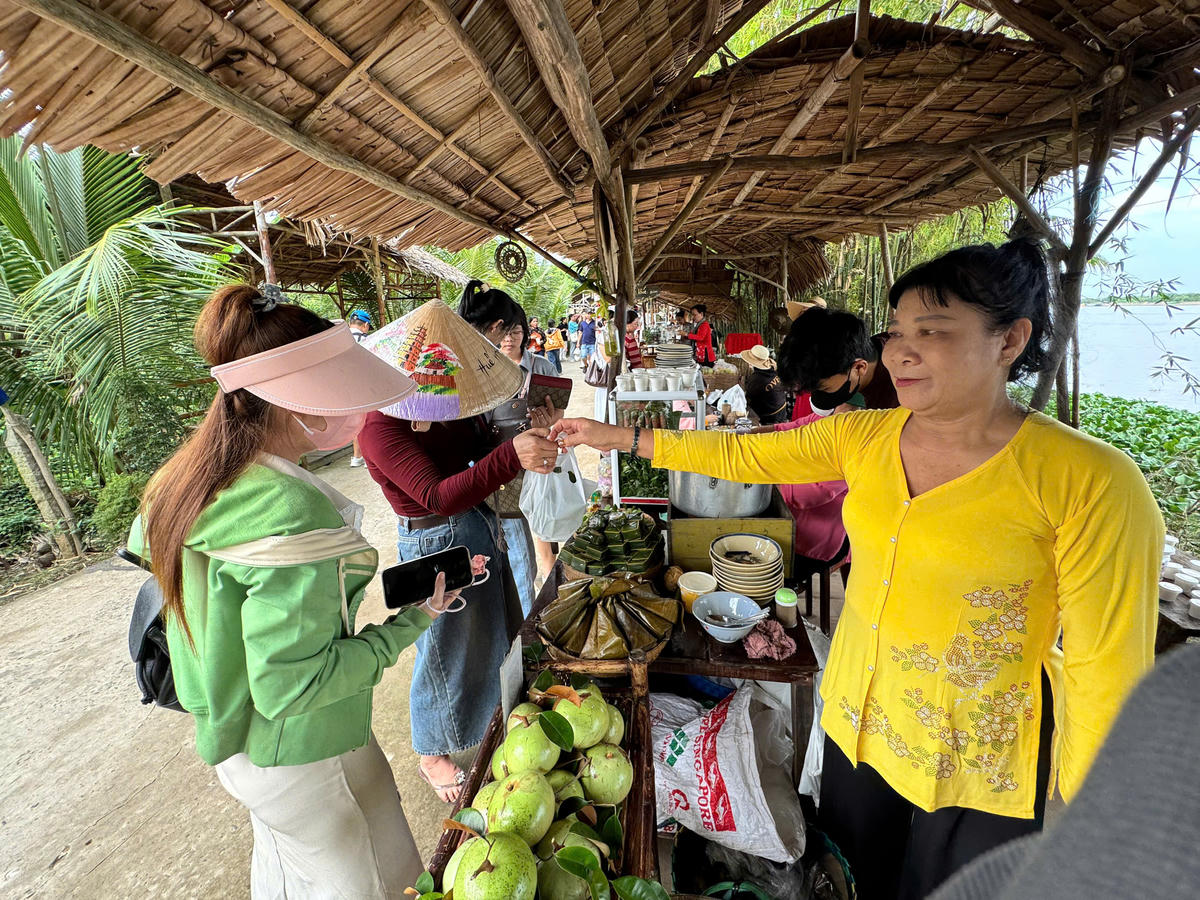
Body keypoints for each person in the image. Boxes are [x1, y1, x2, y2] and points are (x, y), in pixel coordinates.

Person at [553, 239, 1164, 899]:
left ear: (1010, 340)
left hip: (977, 766)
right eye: (898, 329)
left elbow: (1106, 674)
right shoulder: (865, 437)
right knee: (848, 882)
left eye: (931, 330)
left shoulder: (1090, 481)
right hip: (858, 728)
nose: (900, 350)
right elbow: (752, 456)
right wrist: (623, 438)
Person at [131, 284, 461, 897]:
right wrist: (411, 623)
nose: (361, 412)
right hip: (292, 747)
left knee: (309, 851)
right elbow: (292, 684)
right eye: (344, 393)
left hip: (237, 736)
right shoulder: (290, 510)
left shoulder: (189, 477)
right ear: (296, 405)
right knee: (350, 874)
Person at [359, 282, 561, 804]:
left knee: (488, 630)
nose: (436, 381)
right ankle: (431, 750)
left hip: (471, 525)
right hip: (432, 539)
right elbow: (436, 494)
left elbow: (477, 450)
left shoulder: (444, 403)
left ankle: (483, 719)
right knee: (443, 646)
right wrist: (512, 455)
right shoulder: (378, 425)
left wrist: (526, 430)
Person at [495, 307, 563, 614]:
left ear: (526, 333)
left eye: (516, 332)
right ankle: (533, 605)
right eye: (503, 332)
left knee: (546, 520)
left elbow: (559, 411)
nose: (509, 339)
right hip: (506, 464)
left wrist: (549, 420)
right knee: (520, 538)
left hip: (541, 453)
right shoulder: (487, 371)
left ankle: (551, 585)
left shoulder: (543, 366)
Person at [780, 305, 898, 413]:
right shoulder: (868, 352)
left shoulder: (902, 391)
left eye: (825, 388)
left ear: (859, 367)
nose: (817, 394)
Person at [739, 344, 788, 425]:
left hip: (770, 418)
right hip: (782, 411)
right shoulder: (773, 369)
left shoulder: (756, 379)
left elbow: (748, 398)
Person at [348, 309, 373, 467]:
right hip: (364, 386)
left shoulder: (339, 339)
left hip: (345, 388)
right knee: (367, 421)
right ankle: (369, 457)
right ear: (365, 325)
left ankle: (357, 457)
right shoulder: (367, 340)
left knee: (355, 422)